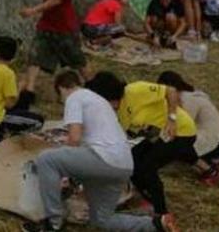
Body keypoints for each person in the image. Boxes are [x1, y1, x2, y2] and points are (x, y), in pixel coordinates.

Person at [23, 71, 173, 232]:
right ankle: (155, 225)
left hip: (104, 159)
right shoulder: (100, 102)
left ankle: (53, 224)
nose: (62, 101)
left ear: (63, 88)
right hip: (123, 166)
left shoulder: (75, 97)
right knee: (102, 220)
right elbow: (84, 152)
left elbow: (74, 138)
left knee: (47, 159)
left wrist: (61, 170)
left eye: (60, 97)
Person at [88, 72, 196, 224]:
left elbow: (170, 91)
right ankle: (149, 200)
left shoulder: (134, 90)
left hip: (182, 132)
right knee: (131, 162)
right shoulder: (116, 113)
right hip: (160, 134)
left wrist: (172, 119)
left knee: (147, 167)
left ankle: (162, 214)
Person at [19, 0, 85, 94]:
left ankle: (94, 86)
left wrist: (32, 11)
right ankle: (29, 91)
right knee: (34, 56)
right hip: (46, 25)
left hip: (64, 27)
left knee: (78, 62)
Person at [155, 71, 219, 186]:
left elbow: (181, 127)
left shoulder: (187, 99)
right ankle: (209, 164)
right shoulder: (191, 95)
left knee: (178, 145)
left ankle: (210, 171)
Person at [0, 36, 44, 144]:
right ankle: (4, 135)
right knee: (38, 121)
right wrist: (19, 87)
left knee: (25, 97)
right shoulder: (8, 73)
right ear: (14, 55)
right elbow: (10, 104)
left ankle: (7, 130)